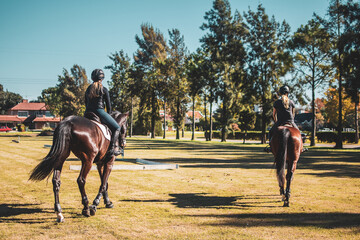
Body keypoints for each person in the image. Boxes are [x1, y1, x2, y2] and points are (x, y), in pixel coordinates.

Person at [85, 69, 121, 157]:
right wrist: (108, 114)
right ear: (102, 78)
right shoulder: (104, 89)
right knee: (117, 127)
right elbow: (109, 107)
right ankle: (112, 149)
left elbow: (86, 103)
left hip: (88, 112)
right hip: (99, 111)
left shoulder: (88, 89)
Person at [265, 85, 299, 152]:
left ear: (280, 93)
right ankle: (302, 147)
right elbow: (293, 114)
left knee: (271, 132)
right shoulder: (291, 102)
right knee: (298, 133)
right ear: (287, 93)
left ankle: (270, 147)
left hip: (280, 121)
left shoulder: (277, 102)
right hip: (290, 121)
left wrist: (276, 121)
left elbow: (274, 114)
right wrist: (292, 121)